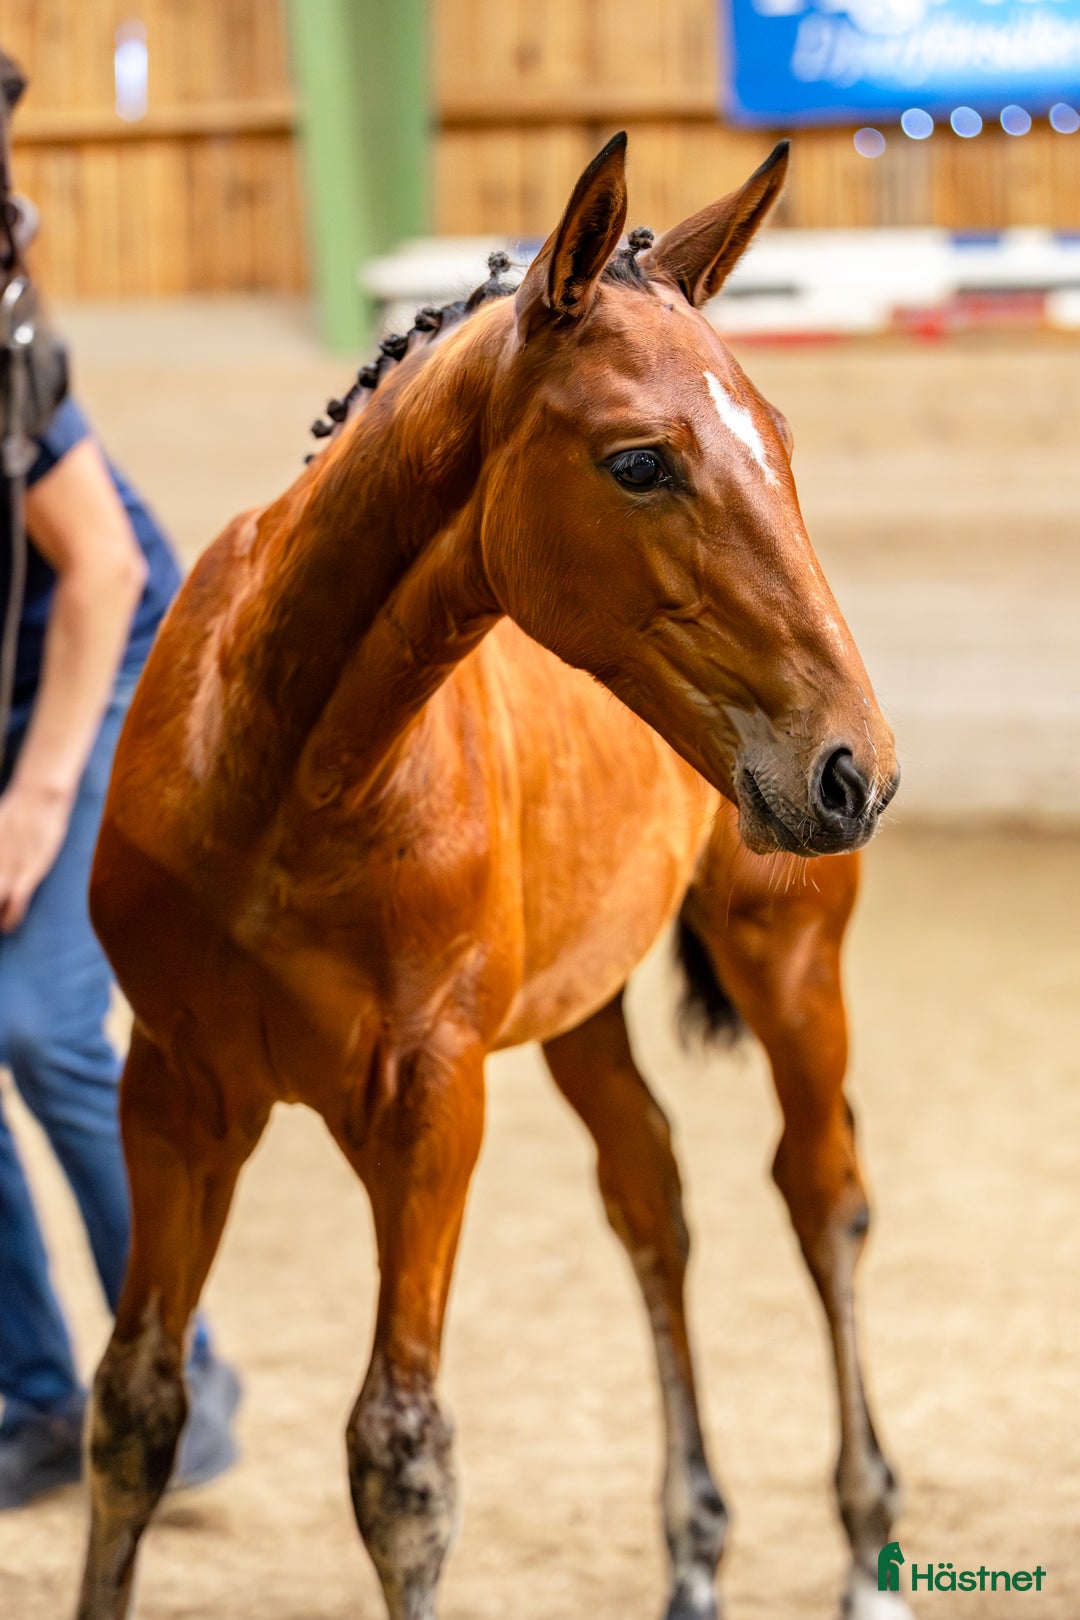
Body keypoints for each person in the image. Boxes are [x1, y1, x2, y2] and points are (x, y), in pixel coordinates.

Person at [0, 50, 241, 1510]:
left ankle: (185, 1356)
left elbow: (101, 565)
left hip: (92, 655)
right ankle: (32, 1394)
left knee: (37, 1023)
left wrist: (34, 798)